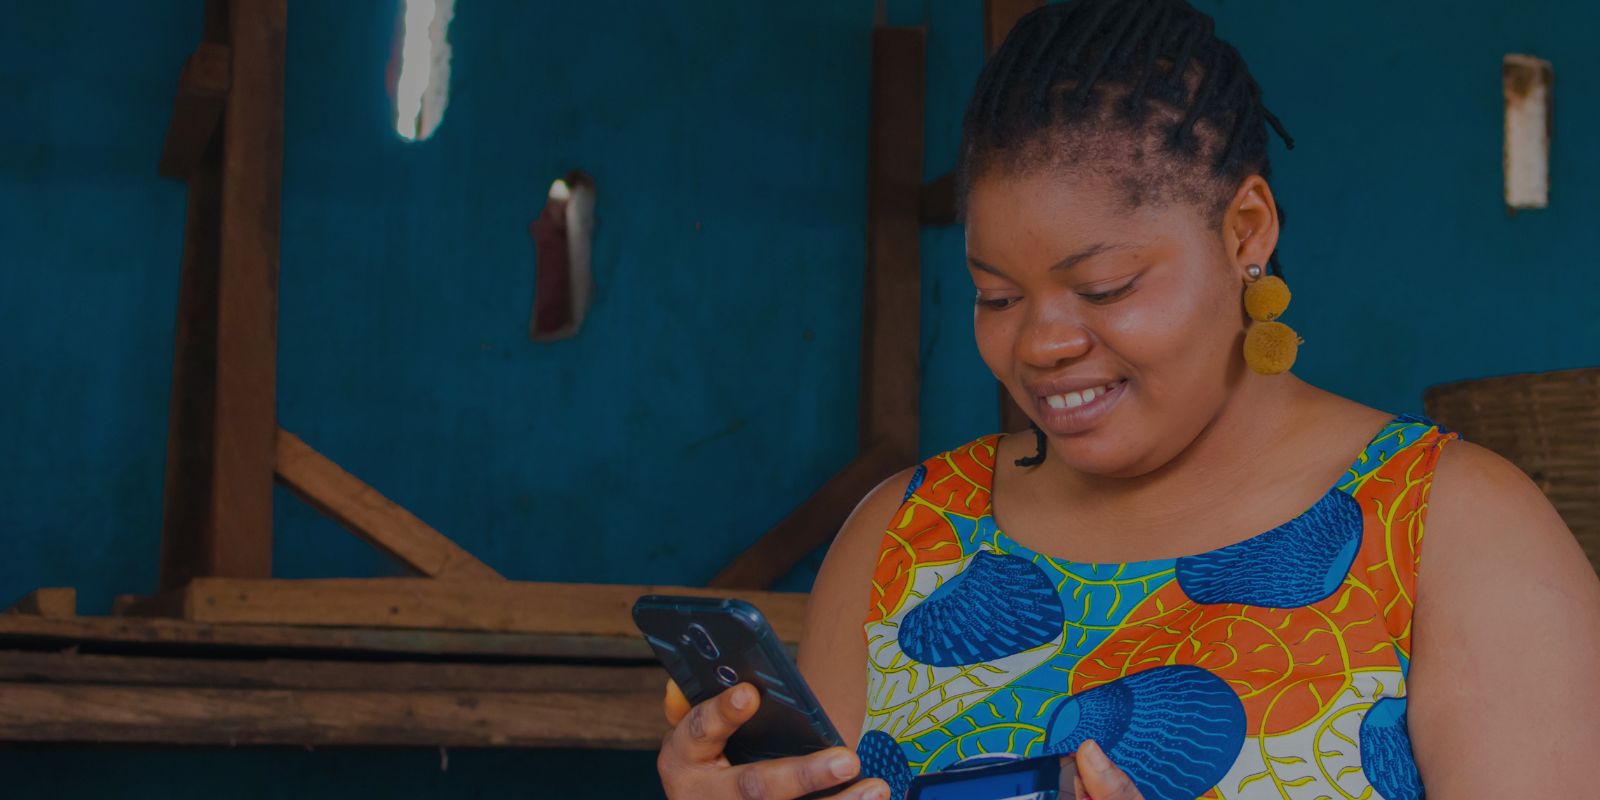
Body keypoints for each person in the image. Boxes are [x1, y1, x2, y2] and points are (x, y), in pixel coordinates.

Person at [656, 1, 1600, 797]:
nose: (1041, 345)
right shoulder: (901, 540)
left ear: (1246, 232)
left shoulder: (1452, 534)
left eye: (1104, 288)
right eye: (997, 295)